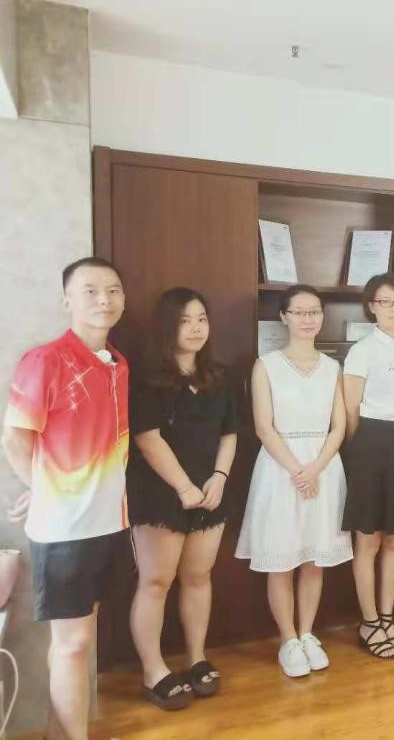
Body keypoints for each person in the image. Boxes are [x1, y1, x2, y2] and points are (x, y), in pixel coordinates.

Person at [2, 257, 129, 740]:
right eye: (90, 290)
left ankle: (60, 733)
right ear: (67, 300)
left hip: (110, 521)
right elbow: (16, 438)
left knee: (79, 641)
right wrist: (44, 490)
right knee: (74, 643)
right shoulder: (45, 360)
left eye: (113, 290)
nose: (104, 300)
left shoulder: (118, 363)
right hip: (64, 530)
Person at [128, 288, 238, 709]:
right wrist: (184, 487)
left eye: (201, 319)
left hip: (210, 492)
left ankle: (196, 658)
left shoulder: (220, 377)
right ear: (167, 327)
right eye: (184, 320)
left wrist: (220, 477)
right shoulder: (147, 378)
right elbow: (147, 438)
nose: (195, 328)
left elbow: (230, 433)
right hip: (160, 493)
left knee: (198, 576)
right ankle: (153, 670)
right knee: (155, 582)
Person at [236, 285, 352, 677]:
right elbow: (263, 427)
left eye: (314, 311)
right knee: (282, 560)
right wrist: (298, 471)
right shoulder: (266, 365)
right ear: (283, 317)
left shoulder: (333, 368)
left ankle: (307, 633)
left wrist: (315, 468)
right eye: (299, 312)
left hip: (324, 466)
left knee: (315, 558)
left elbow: (339, 427)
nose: (307, 319)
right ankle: (288, 639)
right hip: (279, 469)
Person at [342, 273, 394, 659]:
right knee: (369, 539)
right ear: (371, 307)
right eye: (385, 302)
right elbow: (351, 409)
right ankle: (369, 621)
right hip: (370, 443)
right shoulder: (362, 350)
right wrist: (360, 449)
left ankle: (388, 617)